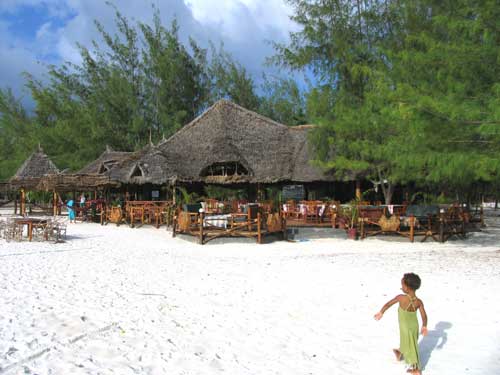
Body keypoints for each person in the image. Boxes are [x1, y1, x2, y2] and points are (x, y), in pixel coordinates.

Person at [374, 273, 428, 375]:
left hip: (405, 326)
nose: (401, 287)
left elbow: (388, 304)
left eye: (402, 285)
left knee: (412, 347)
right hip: (413, 326)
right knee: (406, 340)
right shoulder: (419, 302)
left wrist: (381, 312)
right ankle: (400, 352)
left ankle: (416, 368)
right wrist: (424, 326)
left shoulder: (401, 298)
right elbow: (424, 316)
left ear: (407, 288)